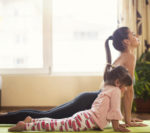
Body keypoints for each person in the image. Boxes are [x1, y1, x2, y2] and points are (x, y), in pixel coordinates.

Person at [0, 27, 145, 127]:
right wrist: (127, 121)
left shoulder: (122, 57)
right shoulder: (129, 57)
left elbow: (123, 92)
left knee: (45, 114)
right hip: (90, 100)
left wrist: (127, 119)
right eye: (133, 34)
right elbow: (129, 92)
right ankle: (4, 118)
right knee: (46, 116)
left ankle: (7, 115)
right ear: (126, 41)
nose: (136, 36)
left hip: (90, 98)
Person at [8, 65, 137, 132]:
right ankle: (25, 126)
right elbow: (114, 110)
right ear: (118, 82)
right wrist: (117, 127)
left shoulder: (107, 87)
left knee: (59, 122)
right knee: (57, 125)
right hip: (87, 120)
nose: (125, 90)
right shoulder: (115, 91)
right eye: (125, 87)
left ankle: (32, 120)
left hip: (85, 116)